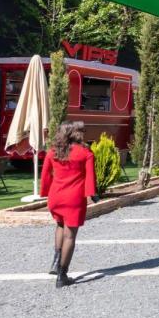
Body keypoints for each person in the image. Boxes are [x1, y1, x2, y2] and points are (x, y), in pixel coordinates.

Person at [41, 121, 96, 288]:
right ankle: (62, 275)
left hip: (55, 197)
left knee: (59, 225)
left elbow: (45, 176)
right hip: (73, 198)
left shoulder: (53, 152)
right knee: (70, 235)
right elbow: (90, 178)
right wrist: (91, 195)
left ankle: (55, 262)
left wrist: (45, 193)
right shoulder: (85, 153)